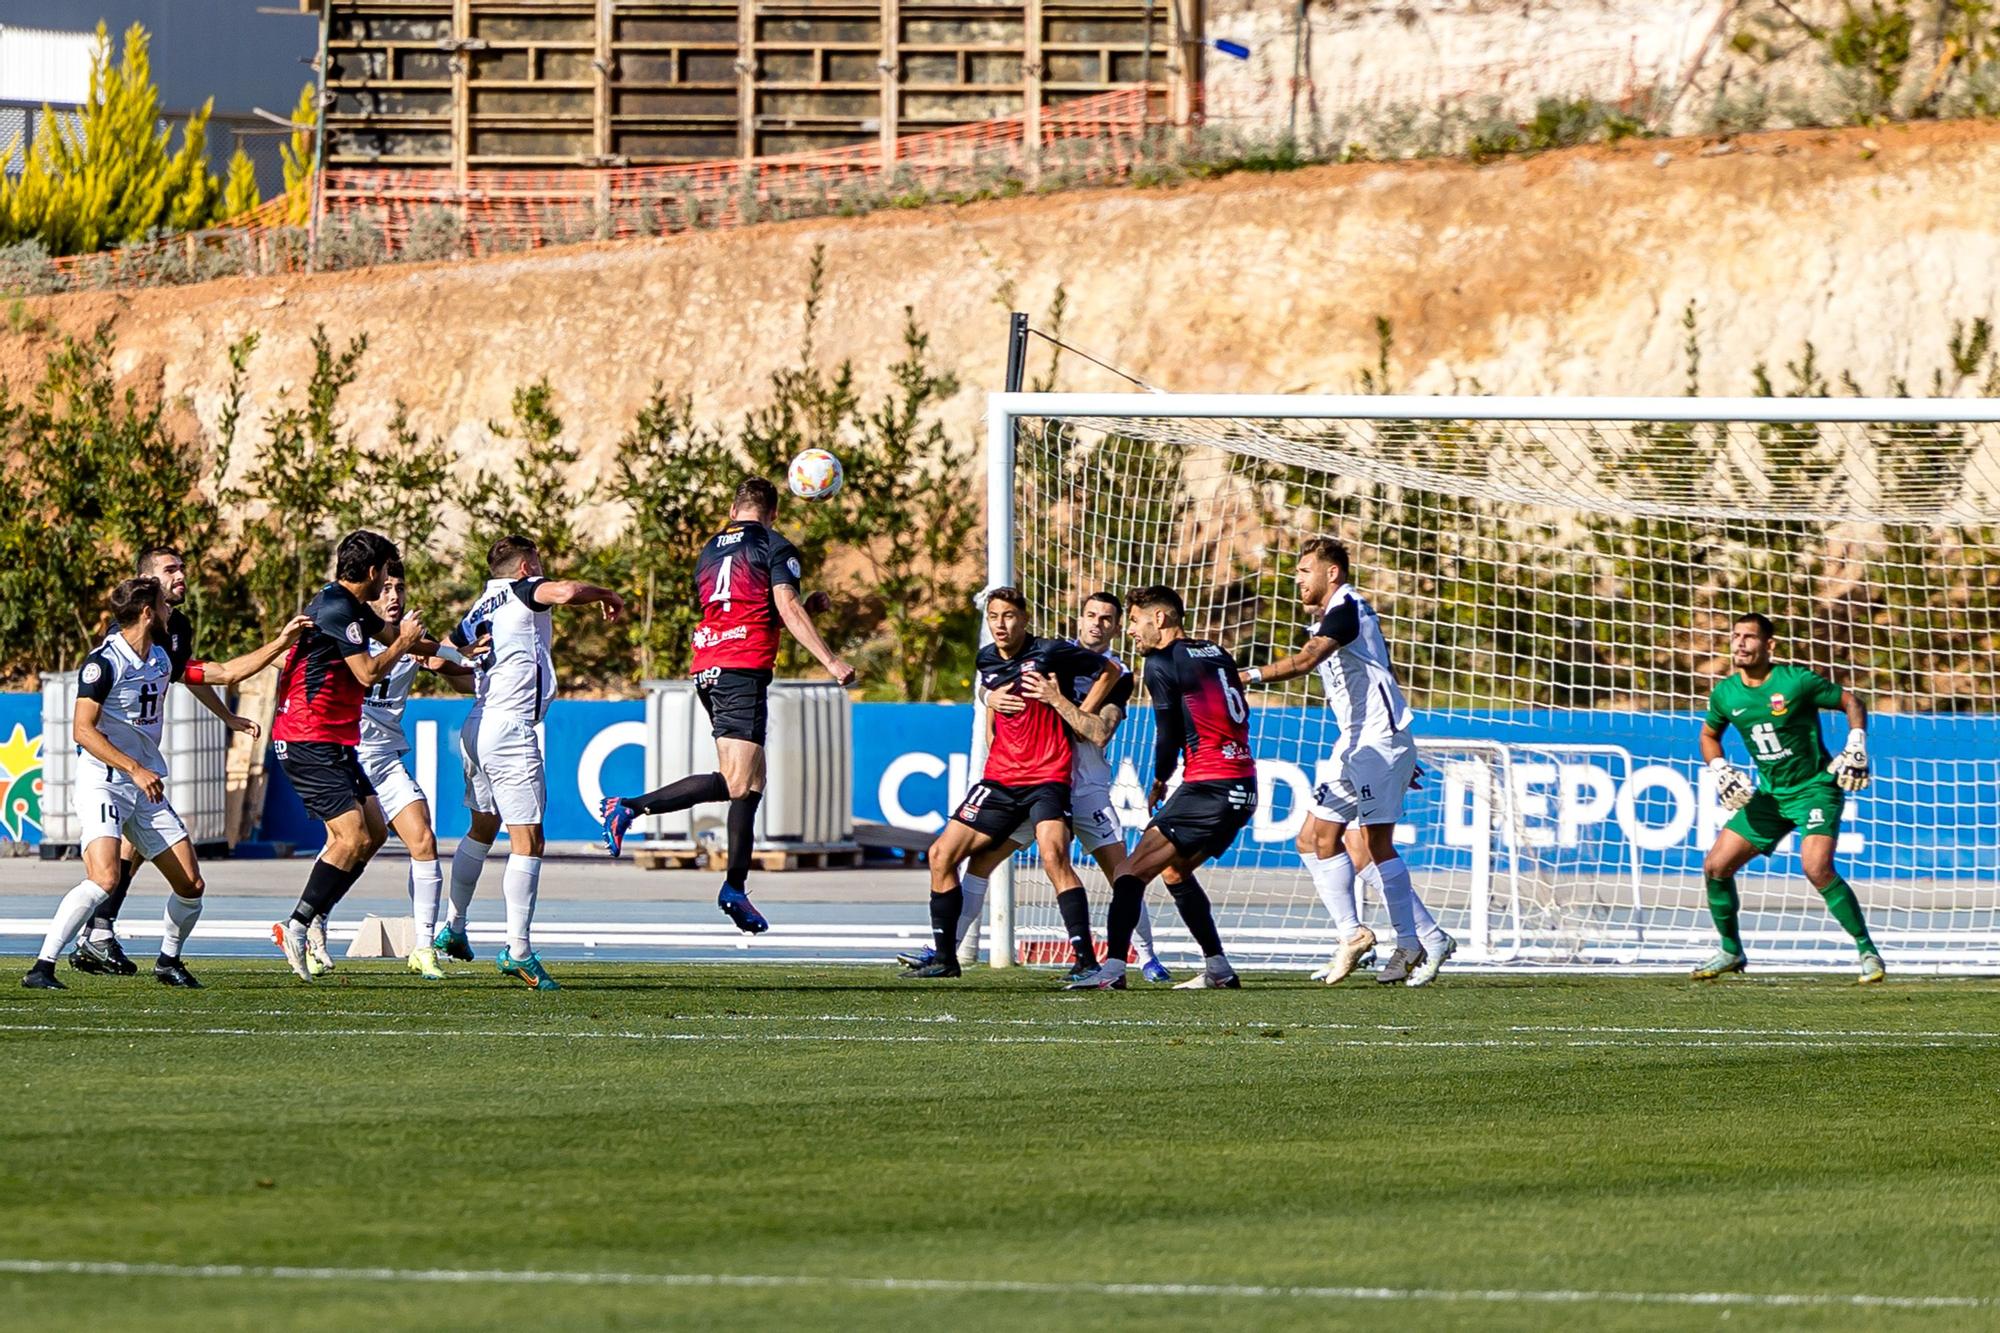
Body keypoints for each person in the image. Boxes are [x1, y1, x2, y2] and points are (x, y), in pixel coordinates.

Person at [597, 478, 854, 935]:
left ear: (734, 508)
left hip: (708, 664)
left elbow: (745, 606)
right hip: (742, 668)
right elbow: (785, 609)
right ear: (772, 512)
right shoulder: (776, 547)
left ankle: (733, 885)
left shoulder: (710, 549)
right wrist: (830, 660)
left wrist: (804, 605)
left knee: (748, 782)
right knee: (740, 781)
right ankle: (631, 807)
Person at [24, 578, 307, 990]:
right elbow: (82, 731)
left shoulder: (160, 658)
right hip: (104, 781)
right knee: (105, 878)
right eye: (163, 605)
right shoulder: (103, 663)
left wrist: (280, 643)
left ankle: (168, 960)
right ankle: (42, 967)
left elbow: (224, 673)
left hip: (145, 787)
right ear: (146, 613)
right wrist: (133, 768)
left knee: (191, 885)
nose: (170, 611)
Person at [899, 591, 1174, 981]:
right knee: (981, 862)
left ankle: (1144, 956)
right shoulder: (1054, 654)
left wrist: (1067, 706)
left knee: (1121, 872)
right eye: (1090, 615)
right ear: (1078, 619)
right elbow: (997, 677)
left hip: (1084, 787)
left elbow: (1097, 733)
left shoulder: (1117, 671)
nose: (1097, 623)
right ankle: (946, 950)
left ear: (1116, 628)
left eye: (1108, 619)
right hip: (1031, 779)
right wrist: (987, 696)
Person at [1243, 538, 1451, 987]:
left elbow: (1305, 662)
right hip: (1357, 743)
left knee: (1372, 846)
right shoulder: (1328, 618)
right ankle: (1355, 935)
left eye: (1303, 570)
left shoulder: (1347, 608)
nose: (1296, 579)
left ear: (1331, 573)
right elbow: (1376, 673)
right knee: (1313, 838)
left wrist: (1247, 675)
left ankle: (1416, 941)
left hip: (1378, 742)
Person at [433, 535, 624, 990]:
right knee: (529, 840)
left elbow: (439, 660)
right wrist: (607, 594)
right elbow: (566, 592)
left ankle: (454, 928)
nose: (543, 571)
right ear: (524, 567)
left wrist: (467, 660)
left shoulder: (480, 606)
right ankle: (517, 951)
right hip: (510, 727)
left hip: (478, 723)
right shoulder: (525, 589)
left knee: (482, 828)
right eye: (537, 562)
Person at [71, 545, 266, 976]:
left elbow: (187, 674)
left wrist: (227, 716)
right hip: (115, 765)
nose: (181, 576)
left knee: (141, 851)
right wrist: (127, 763)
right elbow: (92, 709)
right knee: (122, 852)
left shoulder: (176, 626)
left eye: (182, 569)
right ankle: (90, 935)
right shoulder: (124, 634)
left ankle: (102, 933)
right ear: (147, 587)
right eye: (170, 570)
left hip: (143, 757)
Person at [1067, 585, 1252, 991]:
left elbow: (1167, 732)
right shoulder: (1217, 652)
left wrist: (1160, 779)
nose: (1131, 631)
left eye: (1134, 621)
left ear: (1160, 619)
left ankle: (1113, 970)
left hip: (1210, 784)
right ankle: (1218, 967)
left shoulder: (1161, 661)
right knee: (1174, 869)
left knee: (1129, 872)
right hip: (1243, 784)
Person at [271, 531, 430, 982]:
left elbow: (403, 638)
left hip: (333, 738)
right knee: (350, 837)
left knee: (374, 832)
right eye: (387, 572)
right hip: (306, 737)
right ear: (375, 571)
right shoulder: (338, 610)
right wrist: (402, 645)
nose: (390, 585)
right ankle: (298, 923)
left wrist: (460, 649)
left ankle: (315, 916)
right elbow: (366, 673)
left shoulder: (350, 605)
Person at [1693, 612, 1882, 983]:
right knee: (1715, 866)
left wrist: (1856, 740)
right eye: (1735, 636)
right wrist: (1719, 769)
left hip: (1815, 787)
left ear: (1769, 645)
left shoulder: (1796, 681)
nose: (1740, 643)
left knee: (1816, 868)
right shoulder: (1726, 693)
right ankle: (1731, 950)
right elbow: (1708, 735)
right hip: (1770, 796)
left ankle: (1867, 951)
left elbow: (1851, 702)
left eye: (1749, 637)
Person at [356, 559, 478, 981]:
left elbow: (453, 672)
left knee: (423, 838)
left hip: (386, 758)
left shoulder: (413, 637)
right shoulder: (345, 632)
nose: (393, 596)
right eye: (385, 588)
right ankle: (312, 928)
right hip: (347, 756)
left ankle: (424, 947)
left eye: (400, 587)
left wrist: (491, 675)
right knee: (350, 846)